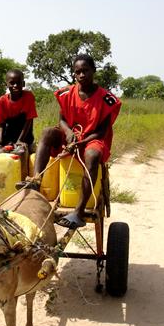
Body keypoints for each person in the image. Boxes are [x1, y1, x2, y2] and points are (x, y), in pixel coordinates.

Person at [17, 53, 121, 229]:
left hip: (92, 140)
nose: (81, 75)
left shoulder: (106, 99)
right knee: (48, 132)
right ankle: (35, 181)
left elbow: (102, 131)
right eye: (77, 72)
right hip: (71, 138)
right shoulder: (67, 93)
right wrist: (69, 133)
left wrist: (81, 142)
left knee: (93, 154)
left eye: (85, 71)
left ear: (94, 71)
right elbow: (62, 120)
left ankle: (78, 212)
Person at [0, 69, 38, 155]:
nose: (15, 85)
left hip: (24, 135)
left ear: (23, 84)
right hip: (7, 134)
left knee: (20, 151)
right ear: (6, 84)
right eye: (12, 83)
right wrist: (0, 140)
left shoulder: (28, 97)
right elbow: (2, 124)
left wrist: (20, 140)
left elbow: (29, 121)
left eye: (18, 83)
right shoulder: (2, 101)